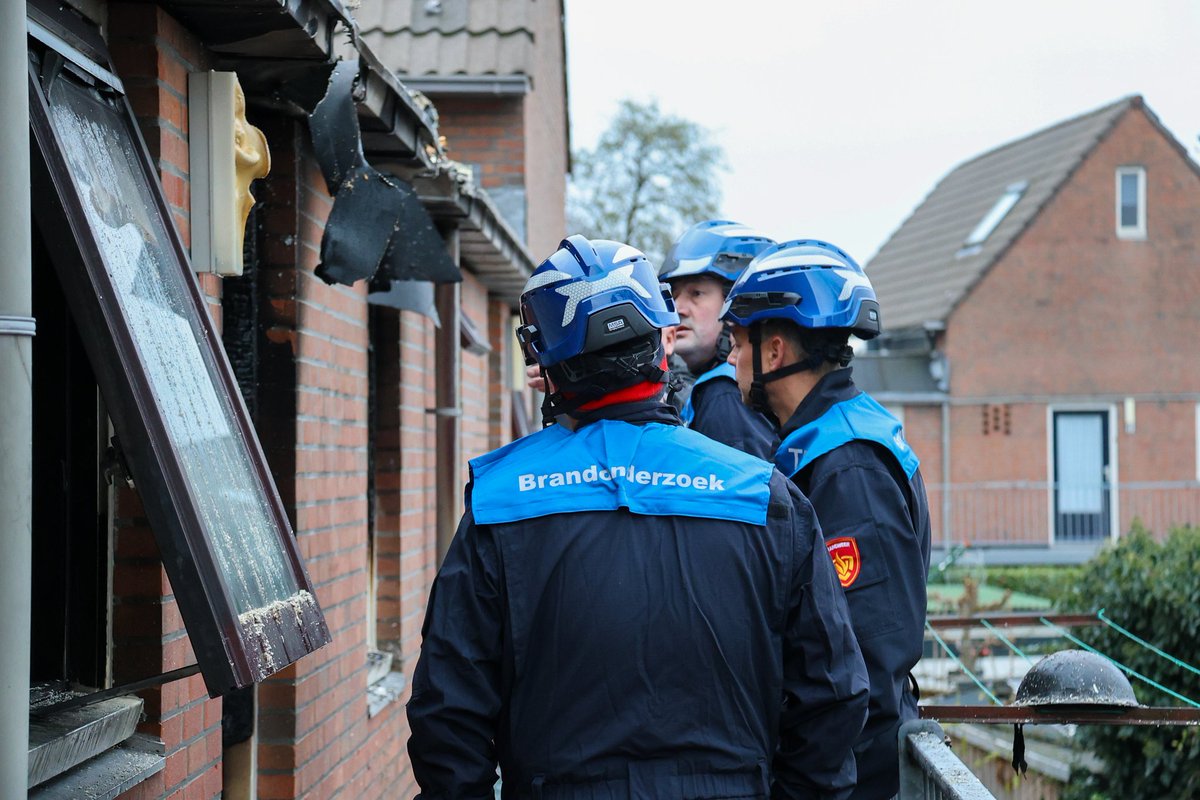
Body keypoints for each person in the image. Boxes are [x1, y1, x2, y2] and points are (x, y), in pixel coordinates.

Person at [408, 234, 870, 799]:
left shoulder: (500, 500)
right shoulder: (764, 494)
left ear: (548, 364)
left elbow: (447, 712)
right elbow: (833, 694)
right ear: (661, 346)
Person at [721, 239, 932, 800]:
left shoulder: (847, 466)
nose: (731, 358)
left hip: (855, 779)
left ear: (775, 350)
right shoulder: (820, 442)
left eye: (738, 342)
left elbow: (870, 662)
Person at [659, 220, 778, 459]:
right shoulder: (747, 386)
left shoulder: (724, 393)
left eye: (696, 293)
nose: (677, 308)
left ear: (738, 304)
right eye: (674, 295)